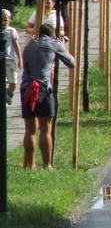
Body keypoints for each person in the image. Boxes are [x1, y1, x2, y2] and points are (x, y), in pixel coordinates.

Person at [21, 24, 75, 169]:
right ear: (53, 34)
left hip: (26, 89)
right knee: (46, 129)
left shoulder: (30, 45)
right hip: (43, 89)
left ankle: (30, 164)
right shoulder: (54, 43)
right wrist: (62, 45)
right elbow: (71, 62)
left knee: (30, 130)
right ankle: (47, 165)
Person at [3, 9, 22, 105]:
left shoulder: (11, 31)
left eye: (5, 20)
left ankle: (9, 94)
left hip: (9, 59)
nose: (3, 22)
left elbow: (16, 45)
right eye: (1, 20)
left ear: (9, 20)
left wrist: (20, 59)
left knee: (13, 81)